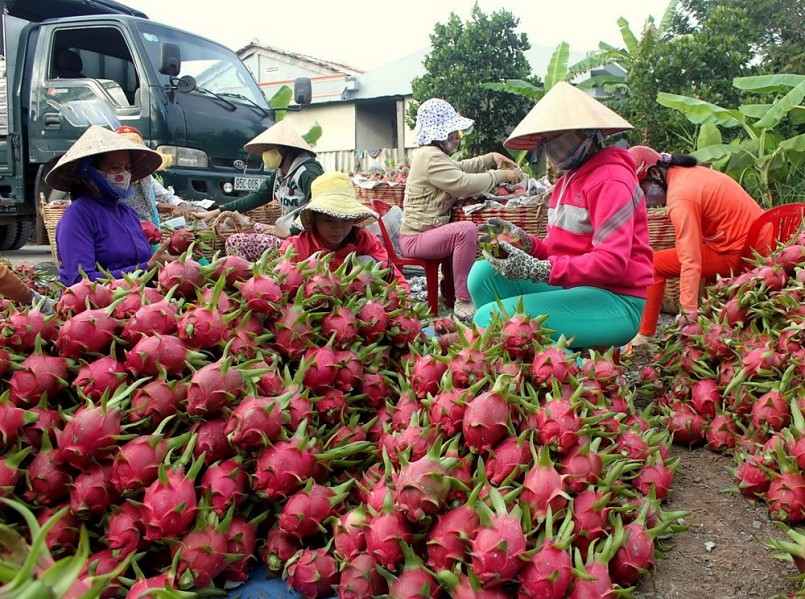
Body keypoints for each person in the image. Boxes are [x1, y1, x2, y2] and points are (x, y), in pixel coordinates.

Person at [468, 81, 654, 349]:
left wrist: (541, 269)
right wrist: (527, 244)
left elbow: (612, 262)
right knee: (483, 273)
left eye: (557, 136)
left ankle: (579, 378)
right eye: (545, 140)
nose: (550, 146)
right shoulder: (569, 179)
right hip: (574, 288)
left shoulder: (611, 180)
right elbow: (560, 252)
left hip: (615, 299)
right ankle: (514, 362)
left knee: (490, 318)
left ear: (588, 132)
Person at [627, 145, 766, 347]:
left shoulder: (680, 197)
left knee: (654, 263)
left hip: (740, 252)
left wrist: (688, 312)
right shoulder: (689, 174)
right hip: (755, 242)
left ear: (655, 173)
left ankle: (645, 335)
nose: (643, 198)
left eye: (642, 188)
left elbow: (690, 261)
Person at [399, 98, 522, 321]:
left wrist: (490, 159)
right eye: (453, 131)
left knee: (465, 230)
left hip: (424, 234)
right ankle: (463, 299)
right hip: (416, 239)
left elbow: (460, 167)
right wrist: (500, 175)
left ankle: (454, 292)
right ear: (439, 133)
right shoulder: (429, 156)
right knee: (465, 230)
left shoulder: (434, 155)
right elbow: (463, 182)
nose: (457, 136)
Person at [48, 125, 177, 286]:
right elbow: (81, 282)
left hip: (137, 303)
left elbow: (146, 271)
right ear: (87, 173)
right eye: (115, 168)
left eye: (127, 168)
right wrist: (148, 267)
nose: (123, 174)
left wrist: (174, 260)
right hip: (93, 309)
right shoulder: (77, 217)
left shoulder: (128, 214)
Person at [194, 120, 324, 261]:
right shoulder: (280, 174)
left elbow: (320, 205)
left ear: (284, 150)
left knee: (235, 242)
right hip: (283, 231)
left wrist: (289, 231)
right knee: (244, 225)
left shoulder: (308, 172)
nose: (265, 154)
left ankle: (248, 277)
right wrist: (217, 211)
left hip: (301, 239)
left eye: (269, 149)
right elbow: (256, 197)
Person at [280, 172, 409, 290]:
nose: (338, 229)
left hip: (358, 311)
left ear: (354, 219)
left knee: (367, 261)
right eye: (328, 220)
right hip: (309, 313)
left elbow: (399, 284)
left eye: (346, 219)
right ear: (314, 219)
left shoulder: (365, 241)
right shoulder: (293, 249)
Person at [115, 126, 198, 218]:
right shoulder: (115, 180)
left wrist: (182, 205)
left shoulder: (145, 176)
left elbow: (164, 195)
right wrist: (170, 207)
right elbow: (127, 204)